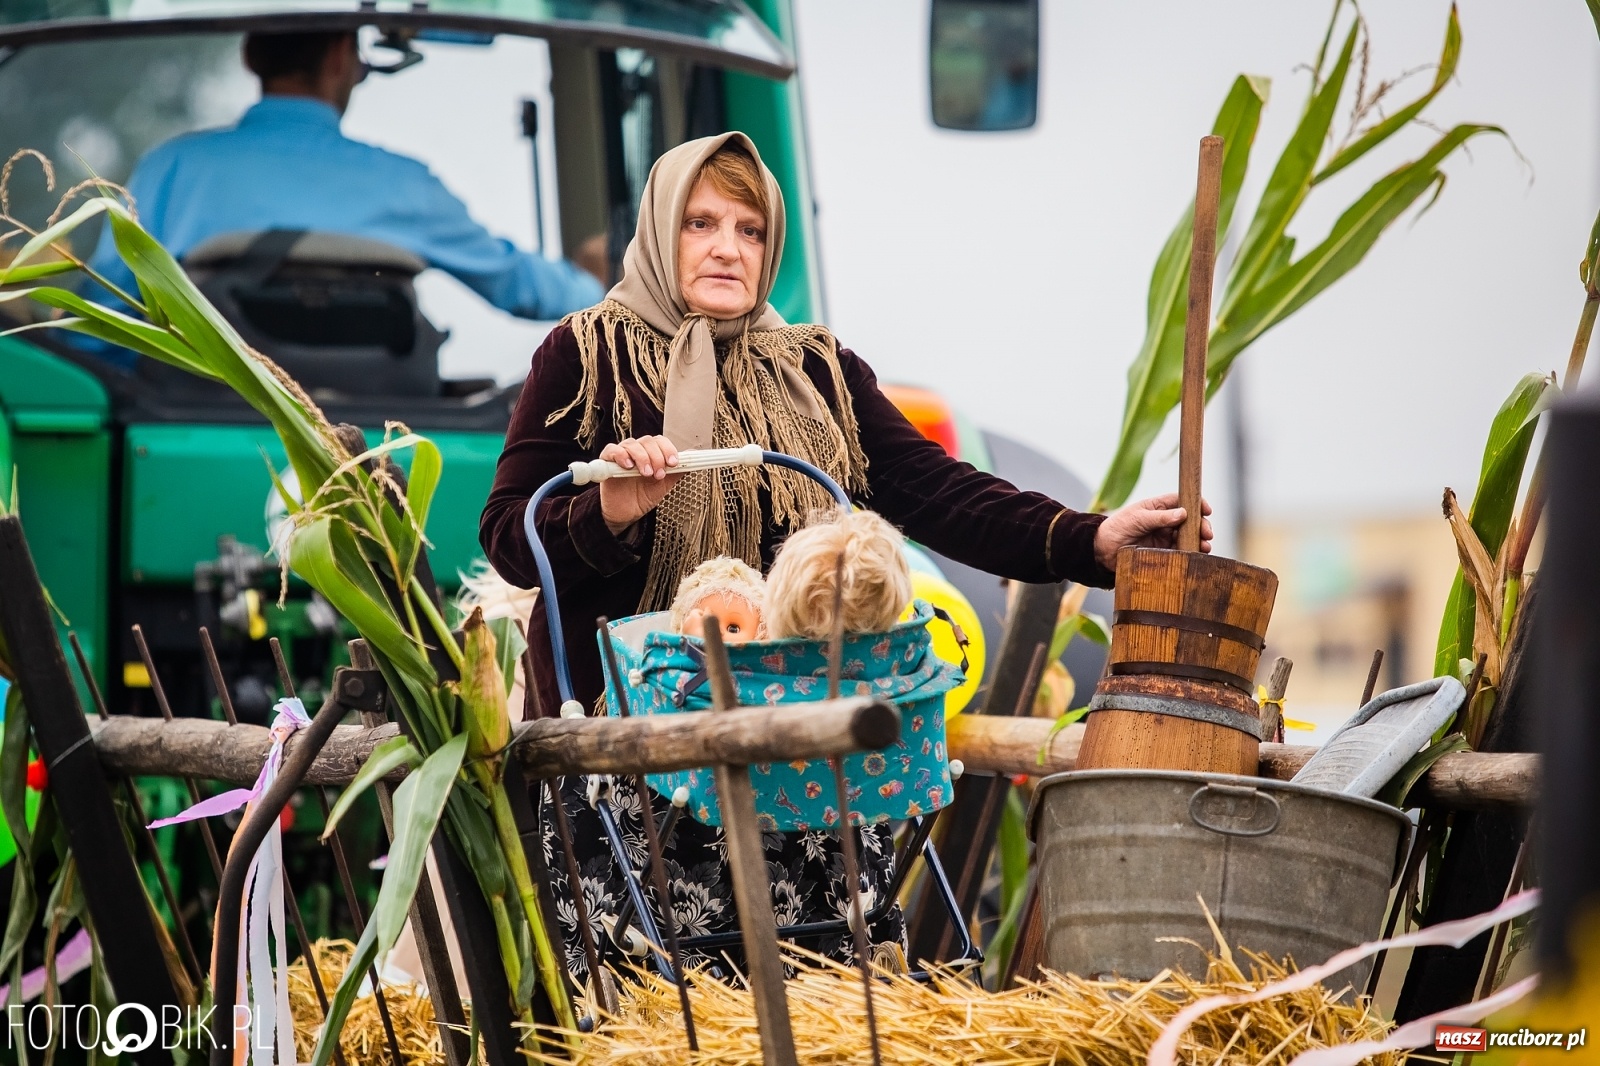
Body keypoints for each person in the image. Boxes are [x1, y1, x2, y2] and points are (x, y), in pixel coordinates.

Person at [479, 132, 1212, 976]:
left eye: (751, 230)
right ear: (658, 228)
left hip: (802, 761)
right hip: (637, 772)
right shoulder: (585, 354)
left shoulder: (817, 370)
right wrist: (607, 509)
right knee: (661, 1005)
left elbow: (939, 491)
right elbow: (507, 536)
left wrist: (1090, 538)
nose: (727, 248)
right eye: (700, 223)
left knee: (827, 998)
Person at [85, 31, 602, 335]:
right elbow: (515, 285)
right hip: (384, 442)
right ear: (340, 58)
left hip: (181, 416)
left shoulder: (170, 169)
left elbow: (104, 315)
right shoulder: (403, 184)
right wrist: (593, 282)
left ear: (249, 57)